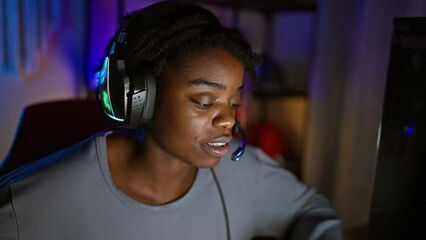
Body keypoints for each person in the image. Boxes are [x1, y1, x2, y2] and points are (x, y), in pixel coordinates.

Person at [0, 1, 343, 239]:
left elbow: (309, 208)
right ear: (138, 98)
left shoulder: (244, 171)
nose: (228, 120)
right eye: (205, 102)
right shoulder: (35, 201)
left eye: (234, 101)